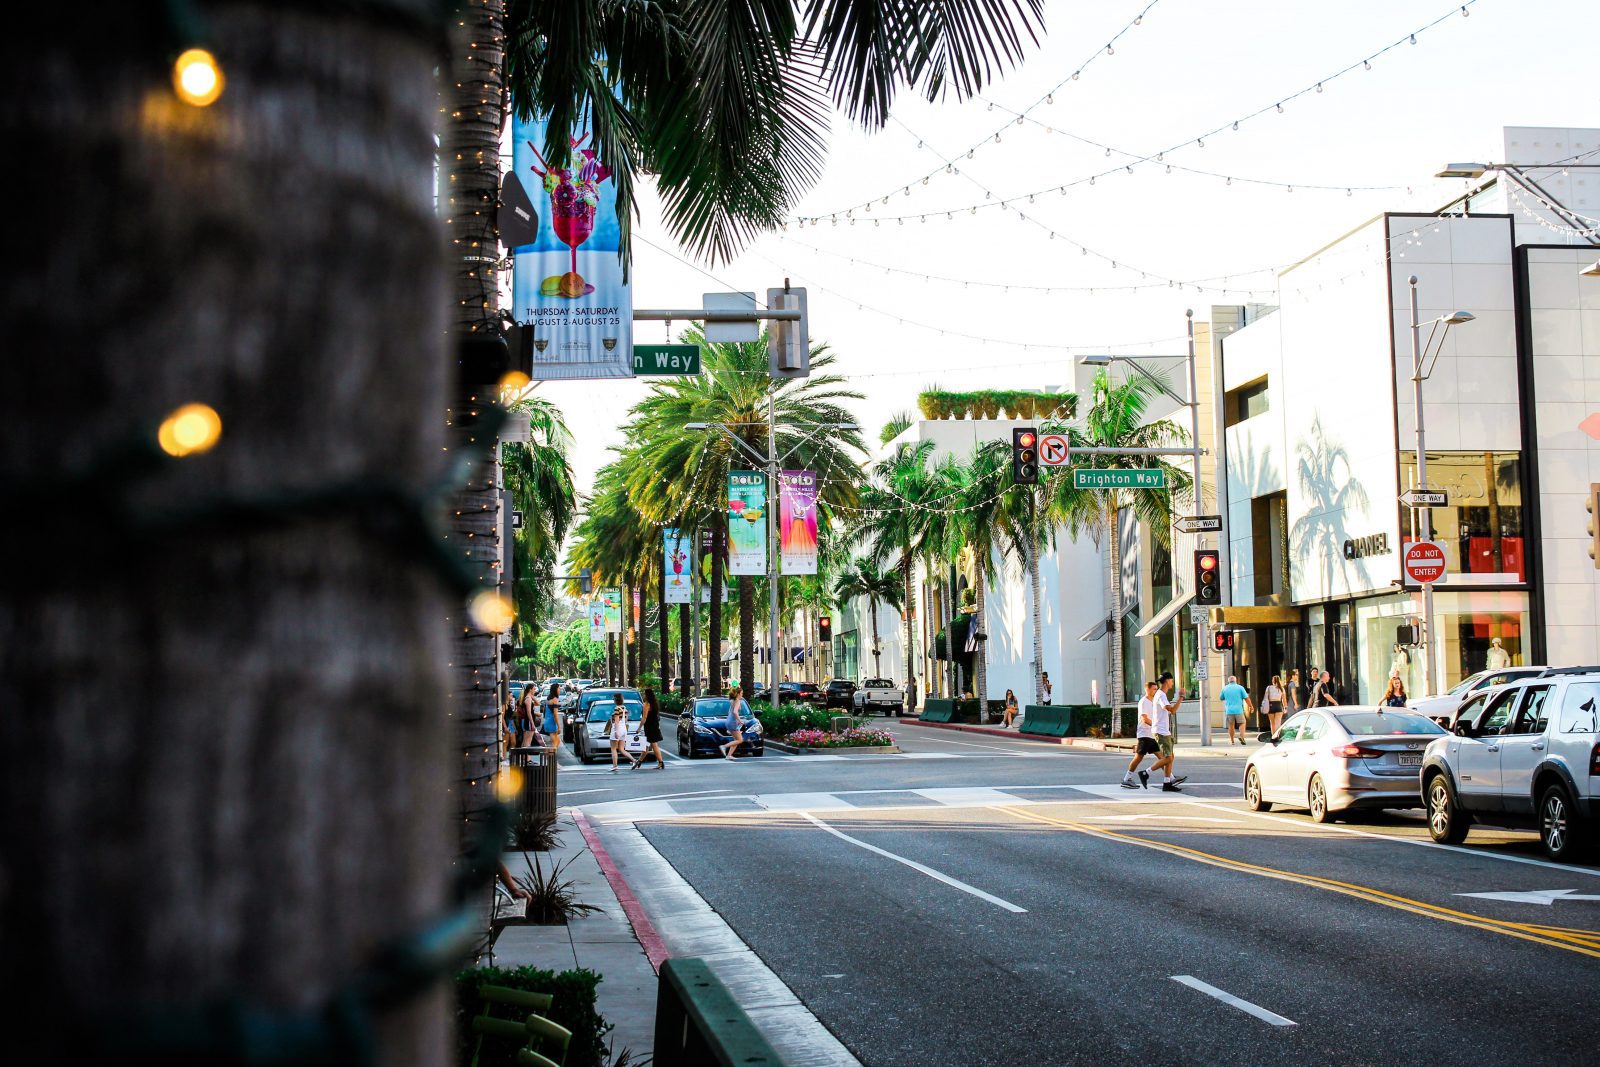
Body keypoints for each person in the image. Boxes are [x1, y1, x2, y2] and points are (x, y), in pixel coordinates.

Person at [1123, 680, 1163, 790]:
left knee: (1162, 757)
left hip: (1152, 735)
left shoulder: (1153, 702)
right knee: (1139, 757)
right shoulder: (1143, 702)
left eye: (1156, 689)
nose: (1155, 691)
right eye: (1154, 689)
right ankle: (1127, 779)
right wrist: (1155, 725)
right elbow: (1144, 718)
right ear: (1147, 689)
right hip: (1144, 734)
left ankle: (1170, 778)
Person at [1150, 672, 1186, 791]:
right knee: (1168, 758)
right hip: (1160, 731)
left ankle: (1167, 783)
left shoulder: (1161, 694)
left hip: (1164, 730)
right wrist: (1181, 698)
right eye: (1171, 680)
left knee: (1171, 757)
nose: (1172, 683)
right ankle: (1145, 772)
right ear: (1167, 681)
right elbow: (1172, 710)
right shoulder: (1161, 695)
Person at [633, 688, 666, 770]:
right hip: (654, 725)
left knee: (653, 744)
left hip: (649, 726)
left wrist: (639, 728)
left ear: (647, 695)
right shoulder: (654, 704)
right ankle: (639, 761)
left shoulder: (646, 704)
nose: (643, 695)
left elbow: (644, 717)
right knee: (647, 745)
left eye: (644, 694)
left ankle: (661, 762)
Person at [1220, 675, 1252, 745]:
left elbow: (1221, 698)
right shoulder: (1240, 688)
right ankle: (1242, 736)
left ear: (1228, 681)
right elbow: (1246, 698)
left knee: (1231, 725)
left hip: (1229, 711)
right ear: (1235, 680)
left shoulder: (1225, 688)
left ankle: (1232, 741)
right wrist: (1251, 706)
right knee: (1242, 723)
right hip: (1239, 710)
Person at [721, 686, 748, 760]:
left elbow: (731, 712)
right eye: (741, 693)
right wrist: (739, 721)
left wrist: (737, 721)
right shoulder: (737, 701)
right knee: (740, 740)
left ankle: (729, 755)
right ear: (738, 694)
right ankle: (724, 746)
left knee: (736, 740)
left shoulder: (733, 700)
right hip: (732, 722)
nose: (742, 694)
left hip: (729, 721)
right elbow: (735, 712)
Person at [606, 693, 629, 772]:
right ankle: (634, 760)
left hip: (617, 729)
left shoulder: (616, 709)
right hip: (624, 729)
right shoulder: (624, 708)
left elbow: (616, 721)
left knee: (613, 749)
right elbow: (625, 720)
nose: (613, 700)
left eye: (613, 699)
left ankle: (615, 766)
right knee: (622, 749)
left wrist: (615, 731)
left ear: (616, 700)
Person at [541, 682, 563, 751]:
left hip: (547, 721)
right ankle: (550, 757)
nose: (560, 689)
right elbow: (555, 714)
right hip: (552, 722)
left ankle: (551, 756)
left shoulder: (549, 698)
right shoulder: (555, 699)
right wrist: (559, 726)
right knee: (554, 742)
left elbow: (545, 711)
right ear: (555, 689)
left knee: (557, 741)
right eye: (559, 688)